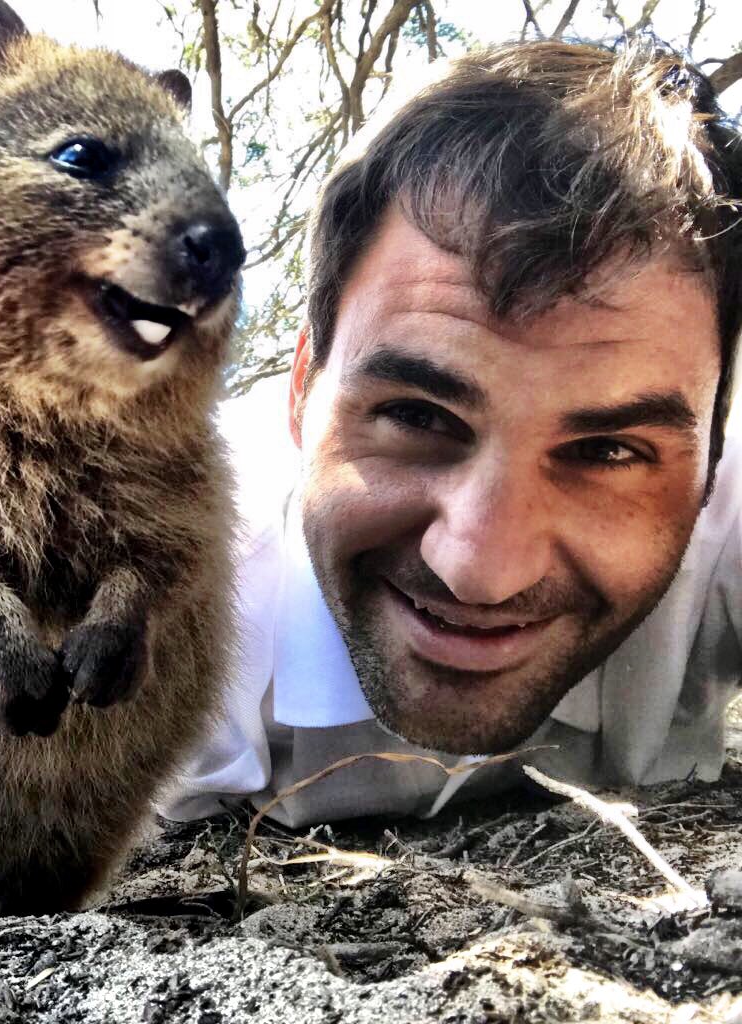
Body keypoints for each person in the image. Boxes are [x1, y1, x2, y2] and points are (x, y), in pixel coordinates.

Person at [163, 38, 742, 828]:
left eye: (608, 450)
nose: (480, 571)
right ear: (301, 390)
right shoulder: (162, 593)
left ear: (716, 452)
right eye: (418, 415)